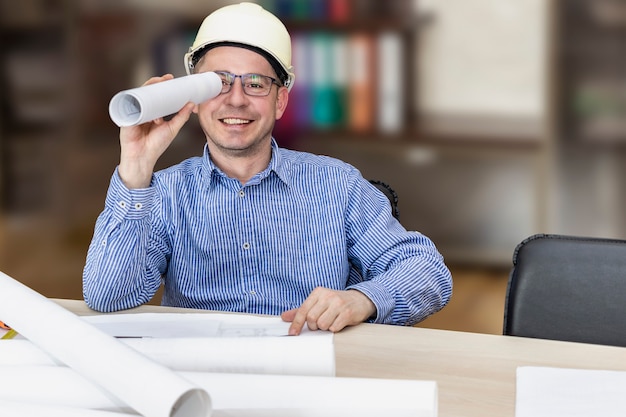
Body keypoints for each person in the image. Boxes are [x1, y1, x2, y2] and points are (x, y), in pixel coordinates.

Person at [82, 2, 452, 335]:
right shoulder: (163, 192)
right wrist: (136, 166)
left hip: (313, 378)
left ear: (280, 102)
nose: (236, 100)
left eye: (256, 84)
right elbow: (107, 296)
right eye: (219, 83)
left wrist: (361, 299)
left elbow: (428, 271)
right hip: (201, 379)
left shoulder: (337, 185)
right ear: (193, 99)